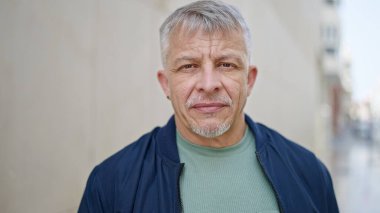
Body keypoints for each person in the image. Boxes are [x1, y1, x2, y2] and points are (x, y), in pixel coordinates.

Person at [78, 0, 339, 212]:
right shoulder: (110, 185)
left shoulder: (310, 174)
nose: (209, 83)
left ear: (249, 80)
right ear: (165, 84)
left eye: (226, 64)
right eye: (188, 66)